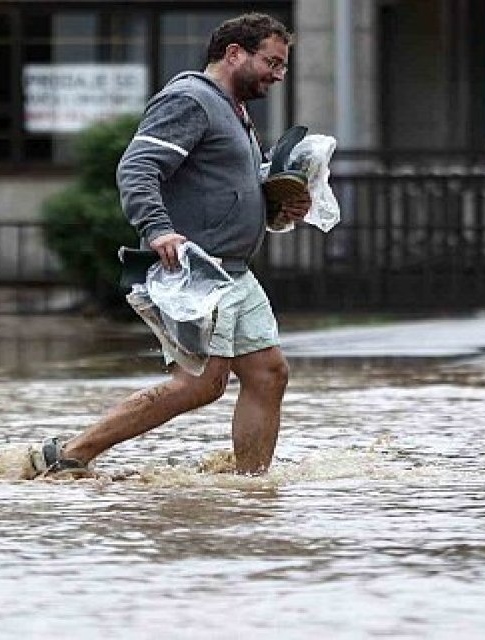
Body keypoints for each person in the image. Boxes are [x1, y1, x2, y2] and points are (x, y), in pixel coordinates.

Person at [20, 12, 311, 478]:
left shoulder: (234, 110)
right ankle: (71, 452)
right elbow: (136, 169)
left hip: (234, 271)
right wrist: (157, 229)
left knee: (268, 373)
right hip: (195, 271)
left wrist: (277, 208)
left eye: (283, 67)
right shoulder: (190, 100)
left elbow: (227, 188)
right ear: (234, 53)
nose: (278, 75)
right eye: (271, 63)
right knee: (198, 385)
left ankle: (251, 488)